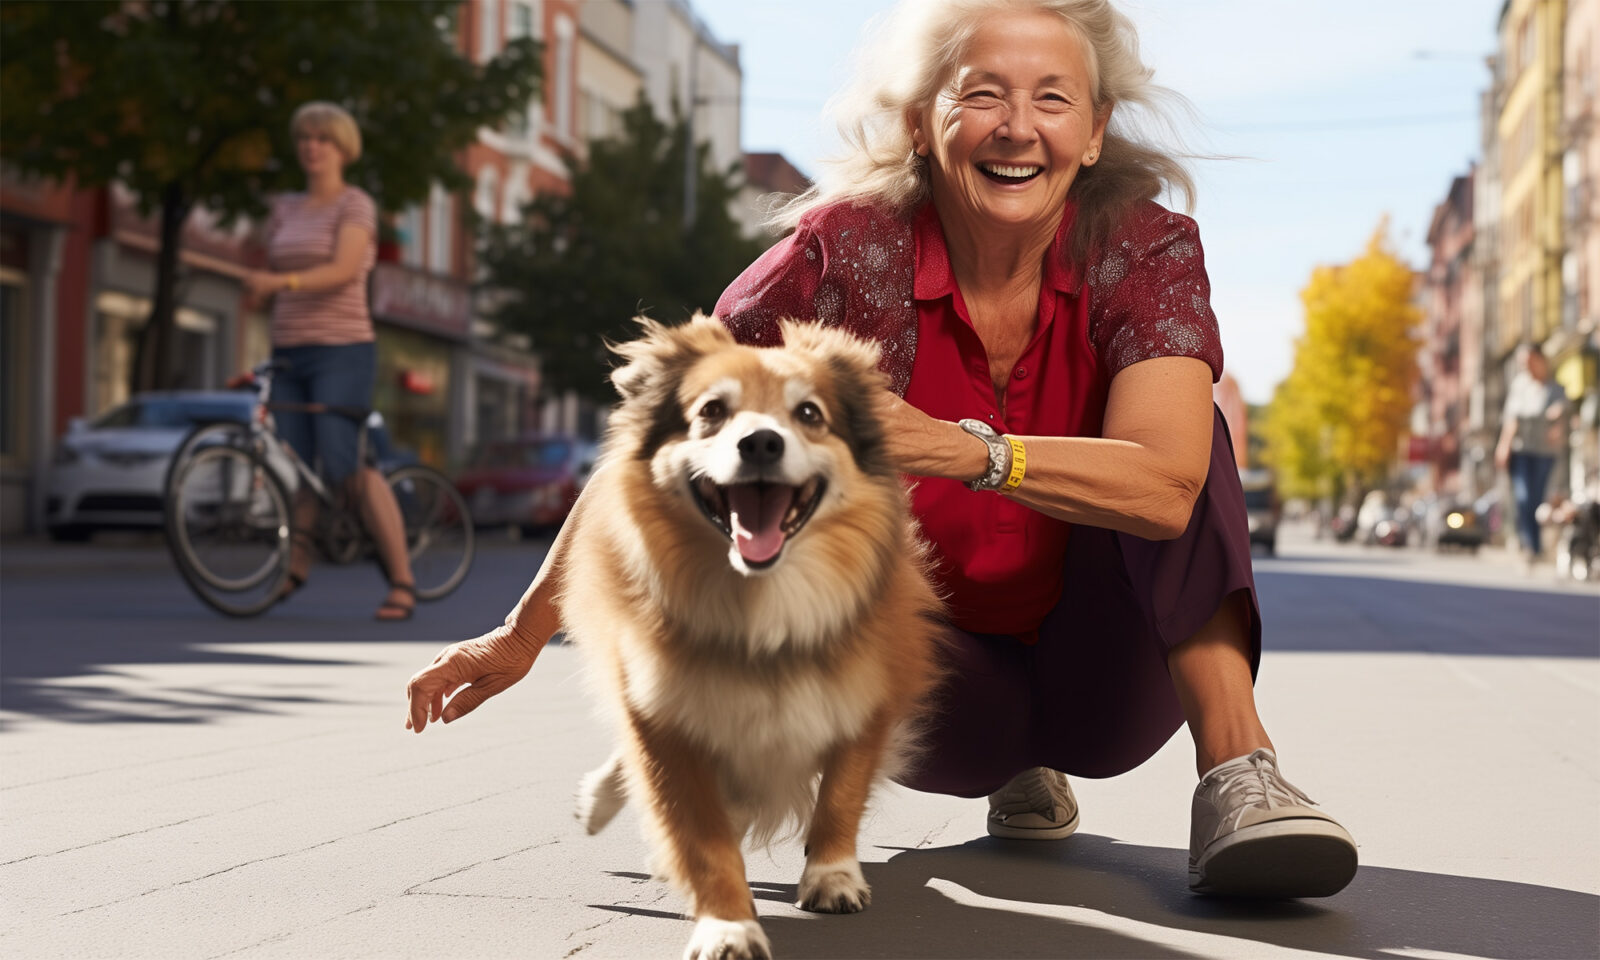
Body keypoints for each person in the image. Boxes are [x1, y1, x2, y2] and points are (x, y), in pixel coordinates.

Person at [405, 0, 1358, 899]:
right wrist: (524, 631)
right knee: (755, 479)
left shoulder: (1143, 250)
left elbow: (1163, 491)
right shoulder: (841, 256)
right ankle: (974, 766)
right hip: (931, 686)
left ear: (1095, 130)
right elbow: (664, 434)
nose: (1018, 127)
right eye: (981, 92)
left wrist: (965, 450)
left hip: (1110, 676)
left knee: (1185, 448)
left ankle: (1241, 775)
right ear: (918, 122)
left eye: (1052, 99)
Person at [243, 101, 417, 621]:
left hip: (342, 350)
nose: (312, 147)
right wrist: (257, 291)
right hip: (289, 348)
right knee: (300, 465)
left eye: (323, 139)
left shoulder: (355, 204)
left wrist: (281, 282)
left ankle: (402, 581)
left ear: (343, 149)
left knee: (346, 465)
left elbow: (344, 270)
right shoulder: (285, 208)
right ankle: (295, 567)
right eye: (305, 139)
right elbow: (260, 264)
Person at [1495, 344, 1568, 566]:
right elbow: (1511, 418)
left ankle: (1538, 546)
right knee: (1524, 497)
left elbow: (1562, 414)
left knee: (1539, 499)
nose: (1525, 365)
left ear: (1540, 359)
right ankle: (1531, 546)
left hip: (1546, 452)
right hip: (1522, 451)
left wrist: (1558, 424)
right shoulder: (1520, 385)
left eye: (1528, 360)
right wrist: (1503, 446)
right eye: (1521, 362)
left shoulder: (1555, 388)